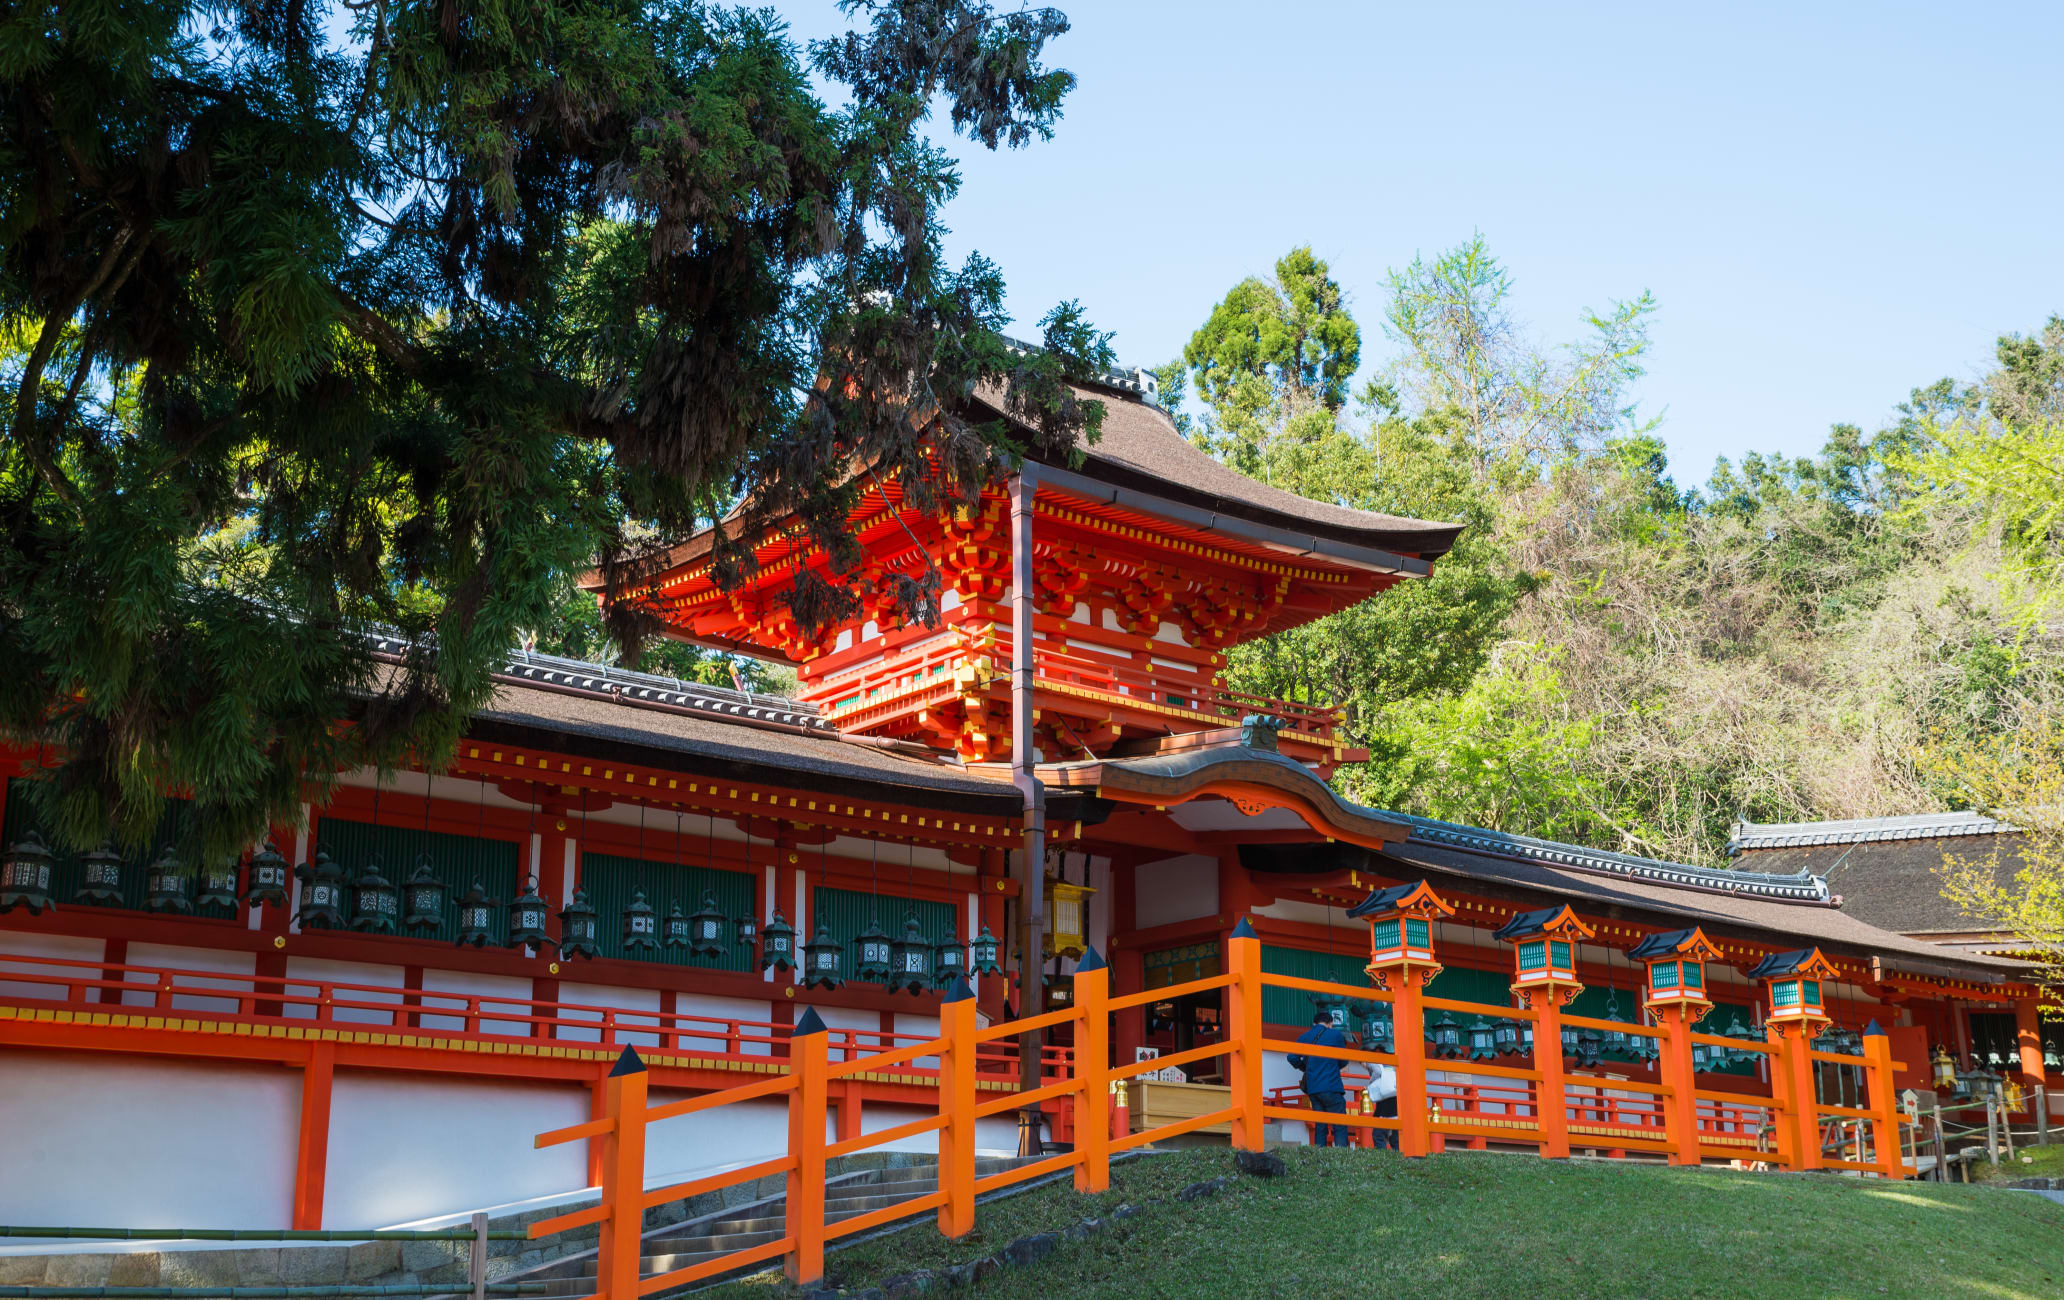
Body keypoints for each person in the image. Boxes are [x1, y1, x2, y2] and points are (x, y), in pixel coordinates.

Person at [1288, 1011, 1350, 1148]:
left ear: (1314, 1024)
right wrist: (1334, 1065)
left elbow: (1291, 1057)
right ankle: (1342, 1158)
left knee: (1320, 1125)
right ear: (1331, 1023)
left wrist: (1306, 1067)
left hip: (1314, 1089)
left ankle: (1319, 1158)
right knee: (1339, 1124)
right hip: (1331, 1086)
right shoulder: (1336, 1035)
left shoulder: (1304, 1037)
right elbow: (1344, 1061)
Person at [1365, 1061, 1399, 1150]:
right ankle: (1399, 1157)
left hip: (1385, 1105)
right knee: (1395, 1137)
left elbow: (1377, 1072)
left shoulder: (1371, 1061)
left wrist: (1371, 1083)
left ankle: (1382, 1157)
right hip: (1395, 1098)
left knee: (1378, 1135)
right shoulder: (1392, 1064)